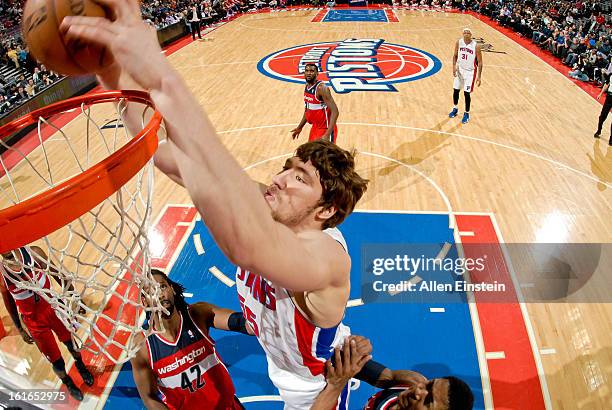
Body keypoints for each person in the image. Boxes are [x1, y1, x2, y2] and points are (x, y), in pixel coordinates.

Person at [62, 3, 367, 407]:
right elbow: (168, 155)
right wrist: (116, 77)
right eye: (286, 168)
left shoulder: (328, 258)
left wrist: (161, 76)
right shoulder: (267, 204)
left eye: (300, 179)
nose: (279, 179)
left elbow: (247, 248)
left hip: (313, 381)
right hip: (280, 354)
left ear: (325, 211)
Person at [131, 270, 250, 409]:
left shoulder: (197, 315)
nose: (159, 294)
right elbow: (149, 397)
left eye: (162, 286)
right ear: (145, 302)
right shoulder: (143, 345)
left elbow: (239, 322)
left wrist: (260, 322)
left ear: (172, 289)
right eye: (151, 292)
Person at [0, 247, 94, 401]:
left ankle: (80, 365)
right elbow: (9, 302)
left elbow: (57, 274)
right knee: (56, 361)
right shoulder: (2, 272)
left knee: (72, 345)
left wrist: (74, 296)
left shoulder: (33, 253)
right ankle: (67, 381)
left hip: (54, 310)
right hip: (35, 323)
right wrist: (20, 329)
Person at [313, 340, 475, 410]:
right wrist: (355, 350)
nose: (418, 392)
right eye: (429, 385)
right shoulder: (412, 381)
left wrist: (336, 385)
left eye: (428, 401)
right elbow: (380, 375)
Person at [291, 63, 340, 143]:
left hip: (325, 129)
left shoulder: (322, 88)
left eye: (312, 71)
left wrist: (327, 134)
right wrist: (300, 127)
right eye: (306, 71)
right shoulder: (307, 86)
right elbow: (308, 110)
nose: (308, 73)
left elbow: (335, 111)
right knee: (310, 154)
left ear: (317, 74)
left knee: (326, 155)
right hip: (315, 128)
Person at [449, 28, 483, 124]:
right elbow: (455, 55)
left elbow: (480, 62)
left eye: (468, 33)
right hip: (460, 70)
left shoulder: (476, 46)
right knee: (456, 90)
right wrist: (453, 67)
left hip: (470, 72)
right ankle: (455, 108)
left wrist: (479, 77)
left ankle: (466, 113)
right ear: (462, 34)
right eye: (465, 32)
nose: (466, 34)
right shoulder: (459, 42)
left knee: (466, 93)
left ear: (471, 35)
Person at [594, 75, 612, 145]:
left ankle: (611, 139)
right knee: (602, 116)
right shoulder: (611, 75)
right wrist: (600, 93)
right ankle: (598, 131)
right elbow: (606, 84)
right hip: (609, 97)